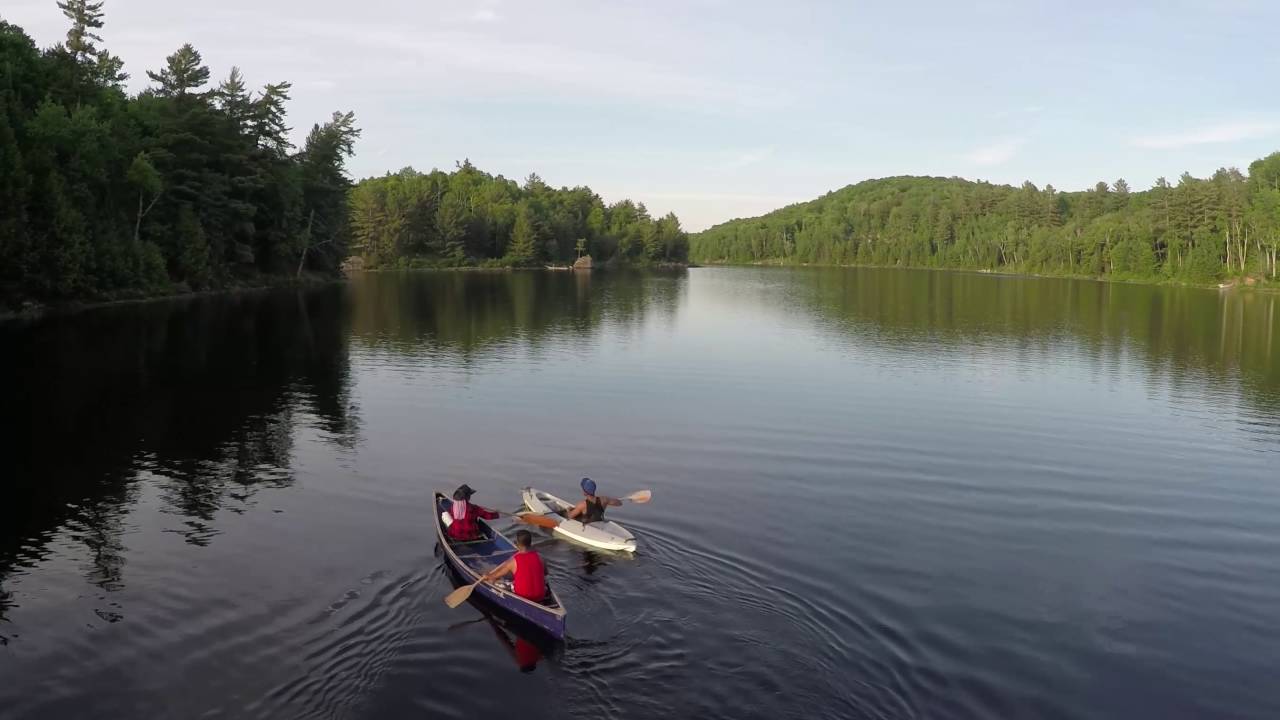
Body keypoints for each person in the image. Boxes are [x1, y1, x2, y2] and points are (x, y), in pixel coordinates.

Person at [480, 529, 547, 602]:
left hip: (523, 596)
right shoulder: (540, 557)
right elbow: (546, 573)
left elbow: (495, 576)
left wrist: (487, 576)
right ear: (530, 543)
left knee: (494, 580)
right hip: (541, 596)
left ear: (517, 543)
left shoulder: (513, 561)